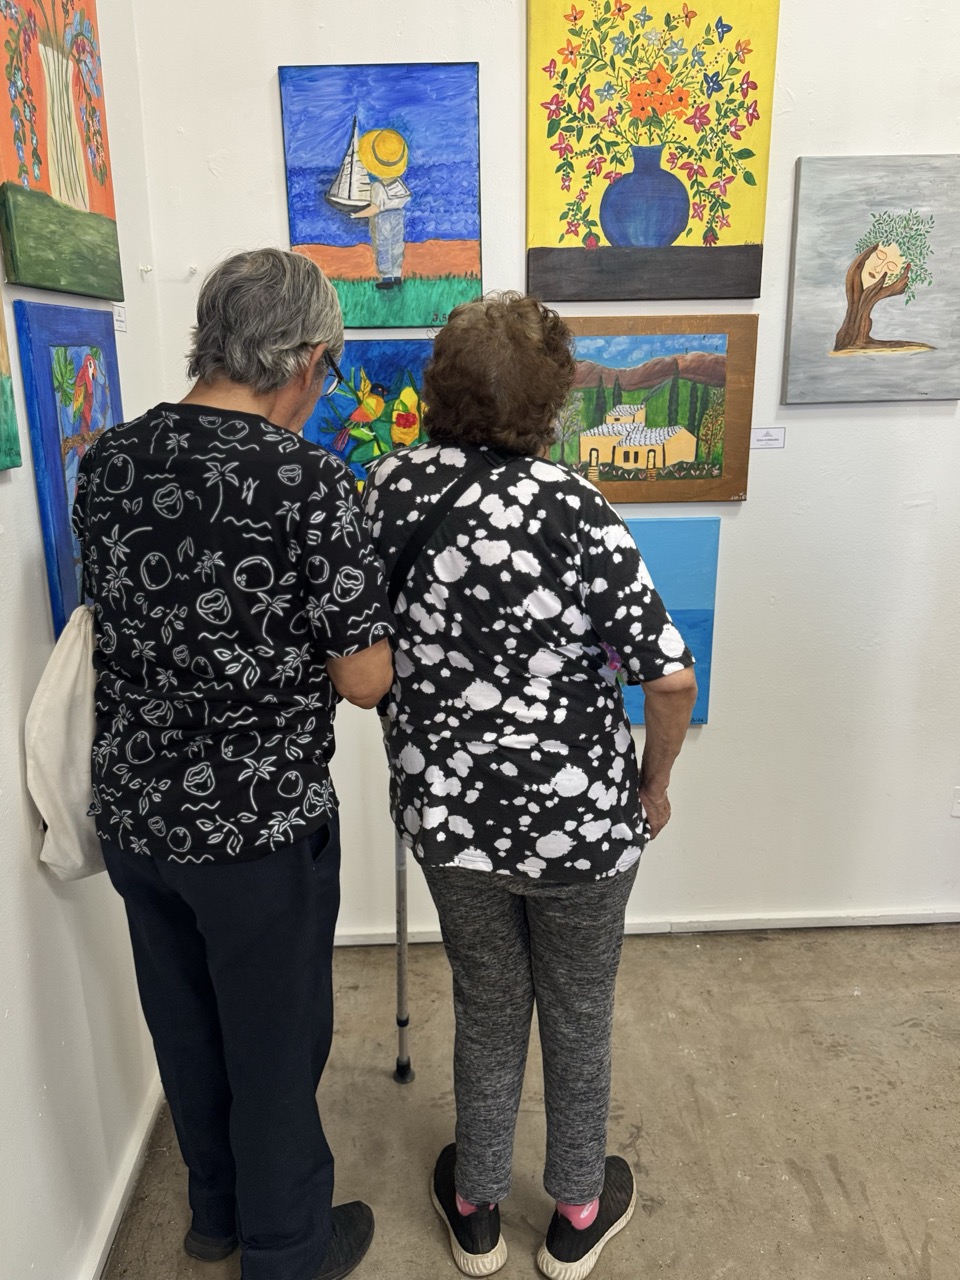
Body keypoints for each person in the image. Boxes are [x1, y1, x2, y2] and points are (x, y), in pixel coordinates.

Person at [72, 249, 394, 1280]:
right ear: (302, 360)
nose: (322, 389)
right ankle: (288, 1248)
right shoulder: (309, 480)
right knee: (274, 1044)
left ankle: (214, 1212)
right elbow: (363, 680)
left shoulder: (109, 460)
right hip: (256, 826)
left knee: (184, 1022)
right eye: (328, 371)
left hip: (135, 809)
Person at [362, 293, 697, 1280]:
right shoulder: (575, 507)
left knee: (488, 1001)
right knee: (579, 1010)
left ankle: (475, 1209)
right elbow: (669, 677)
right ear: (550, 400)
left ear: (440, 387)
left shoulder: (384, 491)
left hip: (450, 820)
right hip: (582, 827)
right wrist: (654, 784)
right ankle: (577, 1212)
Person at [351, 128, 411, 290]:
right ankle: (397, 275)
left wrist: (356, 215)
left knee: (383, 246)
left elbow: (374, 208)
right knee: (396, 246)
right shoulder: (399, 183)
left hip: (382, 219)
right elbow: (406, 198)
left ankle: (386, 277)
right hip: (398, 216)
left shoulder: (377, 187)